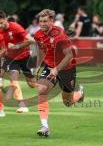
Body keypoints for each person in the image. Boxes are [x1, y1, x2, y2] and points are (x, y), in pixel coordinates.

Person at [33, 9, 84, 137]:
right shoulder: (38, 35)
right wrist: (37, 66)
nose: (42, 24)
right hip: (49, 67)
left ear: (52, 21)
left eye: (45, 21)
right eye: (40, 21)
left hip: (67, 69)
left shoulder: (60, 34)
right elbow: (40, 50)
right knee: (42, 89)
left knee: (67, 102)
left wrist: (57, 69)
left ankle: (79, 94)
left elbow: (69, 56)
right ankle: (44, 126)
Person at [0, 10, 36, 113]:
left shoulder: (15, 27)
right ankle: (22, 105)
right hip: (13, 59)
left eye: (1, 22)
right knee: (13, 79)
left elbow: (32, 40)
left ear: (6, 19)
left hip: (25, 57)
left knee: (32, 84)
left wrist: (16, 46)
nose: (0, 25)